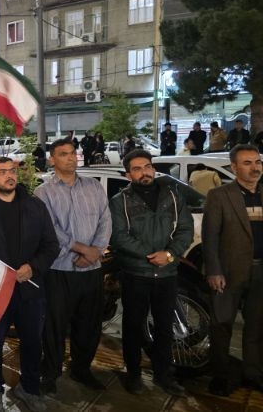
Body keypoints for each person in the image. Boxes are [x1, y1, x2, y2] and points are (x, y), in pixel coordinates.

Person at [0, 157, 59, 412]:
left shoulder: (35, 206)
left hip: (30, 288)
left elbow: (51, 245)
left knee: (32, 341)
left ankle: (29, 387)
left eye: (12, 171)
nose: (10, 176)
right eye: (2, 172)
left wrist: (33, 267)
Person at [109, 149, 193, 397]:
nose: (144, 172)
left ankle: (163, 374)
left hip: (167, 273)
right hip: (136, 274)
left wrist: (169, 254)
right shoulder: (120, 201)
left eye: (147, 166)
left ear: (153, 169)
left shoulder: (172, 196)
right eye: (137, 169)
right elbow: (118, 237)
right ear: (128, 175)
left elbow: (186, 229)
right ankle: (133, 374)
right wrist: (151, 255)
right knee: (133, 326)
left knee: (165, 327)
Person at [35, 140, 112, 395]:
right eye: (63, 154)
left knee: (89, 324)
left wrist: (95, 251)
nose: (71, 158)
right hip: (60, 270)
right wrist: (81, 249)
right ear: (52, 159)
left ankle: (82, 369)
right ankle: (51, 372)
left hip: (91, 270)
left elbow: (105, 220)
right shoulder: (43, 192)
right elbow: (50, 229)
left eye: (73, 153)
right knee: (54, 326)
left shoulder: (93, 187)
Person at [202, 144, 263, 397]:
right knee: (222, 325)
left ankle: (253, 373)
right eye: (247, 163)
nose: (255, 167)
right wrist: (214, 271)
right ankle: (221, 375)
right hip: (227, 273)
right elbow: (210, 237)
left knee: (257, 326)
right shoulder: (220, 195)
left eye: (257, 162)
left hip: (260, 273)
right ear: (234, 167)